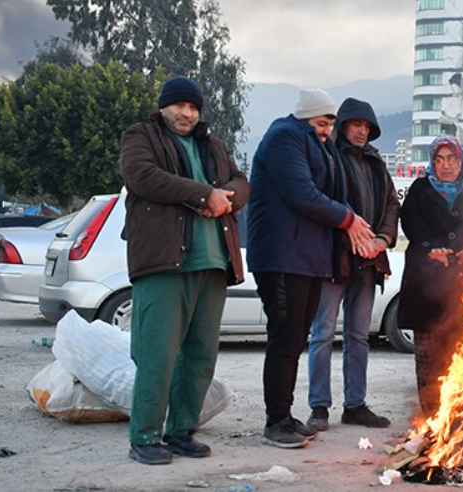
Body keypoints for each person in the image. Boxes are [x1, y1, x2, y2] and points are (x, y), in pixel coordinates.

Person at [120, 76, 250, 465]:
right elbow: (141, 176)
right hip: (164, 263)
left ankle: (180, 432)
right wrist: (202, 194)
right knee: (157, 354)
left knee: (200, 356)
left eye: (193, 107)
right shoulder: (141, 135)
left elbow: (242, 182)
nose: (187, 113)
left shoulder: (213, 145)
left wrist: (226, 198)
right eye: (180, 105)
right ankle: (144, 436)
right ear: (164, 107)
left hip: (214, 264)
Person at [246, 88, 374, 449]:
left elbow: (335, 192)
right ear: (305, 117)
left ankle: (286, 415)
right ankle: (276, 421)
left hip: (309, 258)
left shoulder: (318, 143)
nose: (326, 129)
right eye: (322, 122)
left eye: (330, 123)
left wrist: (354, 225)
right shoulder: (284, 137)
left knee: (296, 338)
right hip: (282, 255)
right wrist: (347, 219)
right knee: (285, 338)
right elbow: (302, 194)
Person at [306, 98, 399, 431]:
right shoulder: (326, 156)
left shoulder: (376, 161)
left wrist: (382, 240)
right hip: (334, 258)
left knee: (359, 336)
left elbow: (391, 203)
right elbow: (319, 201)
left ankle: (355, 405)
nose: (361, 131)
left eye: (366, 126)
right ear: (343, 124)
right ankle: (318, 407)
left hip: (370, 260)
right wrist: (351, 235)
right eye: (355, 124)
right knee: (322, 334)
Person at [397, 136, 463, 415]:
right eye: (439, 160)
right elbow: (410, 222)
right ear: (432, 163)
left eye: (451, 159)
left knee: (462, 350)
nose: (445, 166)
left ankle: (460, 414)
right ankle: (431, 415)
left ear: (461, 161)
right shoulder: (420, 188)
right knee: (428, 355)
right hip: (425, 283)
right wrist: (431, 247)